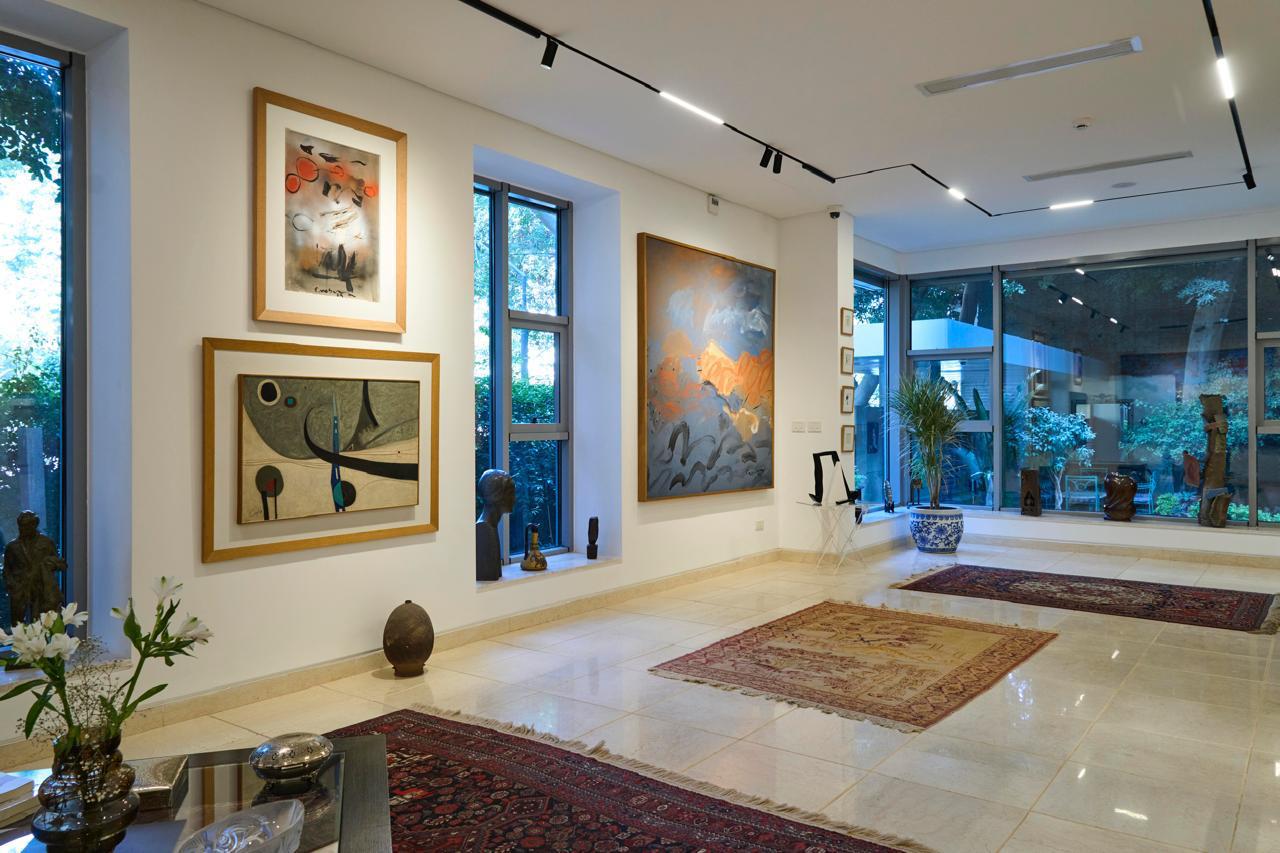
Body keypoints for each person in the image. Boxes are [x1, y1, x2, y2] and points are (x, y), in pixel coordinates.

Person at [3, 511, 65, 625]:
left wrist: (50, 564)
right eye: (21, 526)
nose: (23, 529)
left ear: (34, 525)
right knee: (17, 625)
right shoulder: (12, 547)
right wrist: (12, 586)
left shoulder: (46, 543)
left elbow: (60, 564)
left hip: (40, 589)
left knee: (41, 624)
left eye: (26, 526)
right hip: (19, 591)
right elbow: (6, 570)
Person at [475, 470, 515, 582]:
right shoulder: (483, 529)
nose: (514, 498)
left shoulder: (491, 526)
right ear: (497, 496)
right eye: (510, 493)